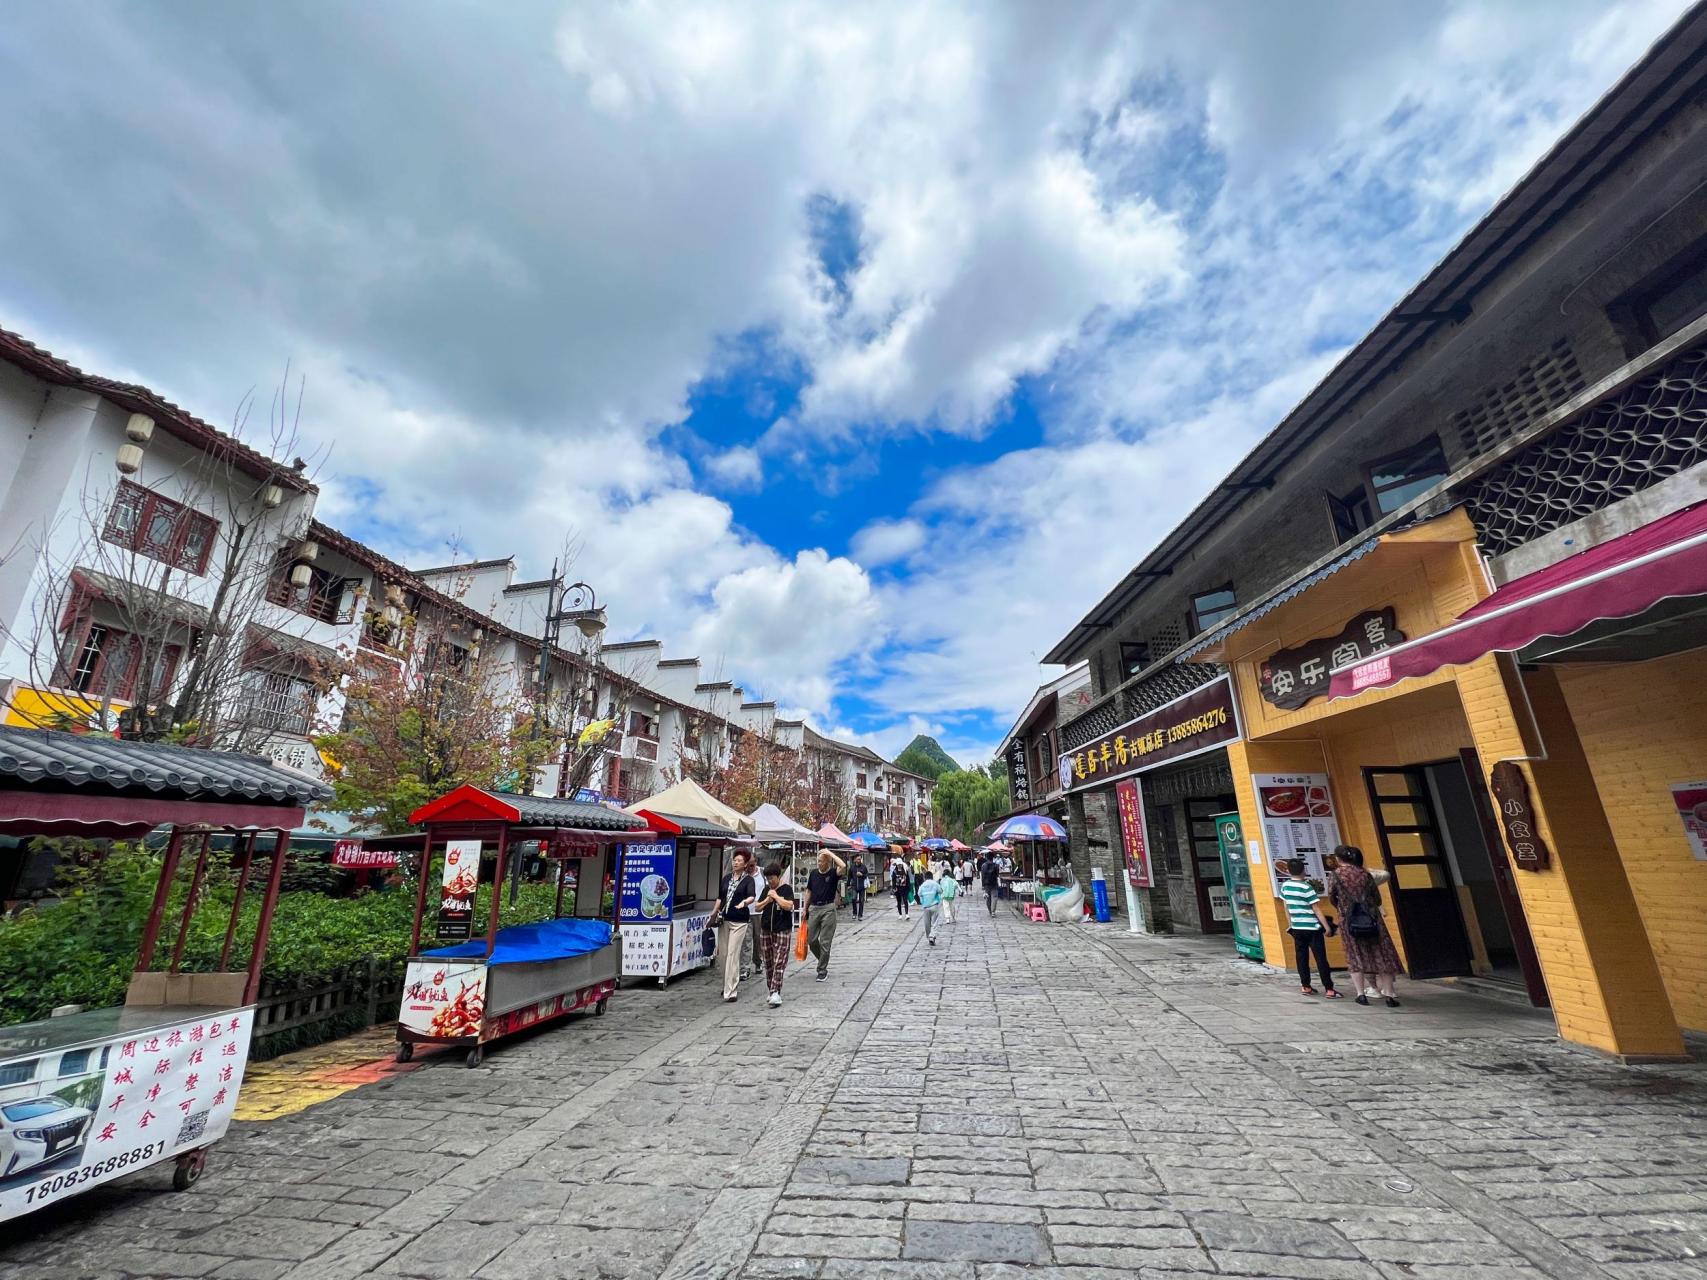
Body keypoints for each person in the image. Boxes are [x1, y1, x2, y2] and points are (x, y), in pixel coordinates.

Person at [1327, 845, 1403, 1007]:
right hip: (1372, 918)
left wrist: (1344, 908)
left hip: (1349, 920)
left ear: (1338, 859)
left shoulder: (1336, 875)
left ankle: (1361, 994)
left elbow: (1332, 897)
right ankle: (1389, 994)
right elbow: (1377, 898)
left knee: (1355, 955)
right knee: (1382, 954)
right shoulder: (1365, 874)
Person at [1280, 858, 1339, 998]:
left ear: (1288, 871)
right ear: (1303, 871)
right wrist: (1327, 927)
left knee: (1301, 957)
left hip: (1297, 928)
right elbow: (1316, 909)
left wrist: (1291, 925)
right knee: (1320, 958)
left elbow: (1286, 907)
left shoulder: (1285, 886)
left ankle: (1305, 986)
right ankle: (1329, 989)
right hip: (1312, 927)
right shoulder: (1307, 887)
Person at [710, 850, 758, 1003]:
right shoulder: (726, 879)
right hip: (724, 920)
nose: (735, 862)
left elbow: (752, 896)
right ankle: (726, 984)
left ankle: (732, 990)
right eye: (734, 860)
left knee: (732, 953)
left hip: (740, 921)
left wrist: (744, 902)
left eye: (739, 861)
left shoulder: (748, 880)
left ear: (745, 864)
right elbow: (720, 897)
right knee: (722, 955)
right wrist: (713, 913)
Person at [800, 847, 847, 981]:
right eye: (818, 861)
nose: (819, 863)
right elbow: (809, 891)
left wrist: (830, 854)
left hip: (828, 908)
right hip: (814, 908)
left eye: (821, 861)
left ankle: (822, 970)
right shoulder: (814, 873)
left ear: (827, 862)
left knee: (825, 941)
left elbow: (842, 865)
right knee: (811, 940)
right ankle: (823, 959)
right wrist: (805, 908)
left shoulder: (833, 873)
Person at [753, 861, 795, 1007]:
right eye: (768, 878)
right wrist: (767, 899)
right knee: (769, 962)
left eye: (772, 878)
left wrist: (776, 897)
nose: (770, 881)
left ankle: (776, 991)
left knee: (779, 961)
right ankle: (771, 991)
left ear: (778, 877)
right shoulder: (766, 890)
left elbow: (789, 905)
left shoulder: (786, 889)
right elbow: (757, 907)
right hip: (766, 930)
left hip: (782, 929)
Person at [917, 870, 944, 945]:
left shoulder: (922, 885)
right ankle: (932, 936)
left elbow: (919, 893)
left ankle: (929, 936)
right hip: (934, 905)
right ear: (932, 877)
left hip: (926, 906)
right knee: (934, 922)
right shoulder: (935, 883)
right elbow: (941, 891)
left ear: (925, 878)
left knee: (927, 923)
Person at [848, 855, 869, 920]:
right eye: (858, 859)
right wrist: (848, 885)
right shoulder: (852, 867)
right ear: (855, 860)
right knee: (853, 899)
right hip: (854, 886)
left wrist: (862, 875)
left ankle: (860, 915)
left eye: (860, 859)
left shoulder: (863, 867)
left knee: (861, 901)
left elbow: (866, 875)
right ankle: (854, 913)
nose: (859, 860)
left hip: (862, 886)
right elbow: (849, 876)